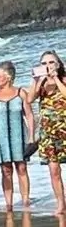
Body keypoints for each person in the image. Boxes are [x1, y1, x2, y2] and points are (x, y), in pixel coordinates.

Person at [0, 61, 36, 211]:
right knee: (5, 170)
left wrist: (31, 136)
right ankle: (9, 203)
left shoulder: (21, 93)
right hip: (0, 138)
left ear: (8, 77)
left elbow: (30, 116)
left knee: (21, 167)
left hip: (19, 136)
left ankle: (26, 201)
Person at [31, 50, 66, 216]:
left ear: (58, 64)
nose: (48, 66)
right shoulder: (41, 83)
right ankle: (61, 204)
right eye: (44, 63)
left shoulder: (64, 79)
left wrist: (56, 78)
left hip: (64, 130)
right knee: (54, 170)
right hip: (48, 133)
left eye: (51, 62)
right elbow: (30, 99)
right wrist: (37, 81)